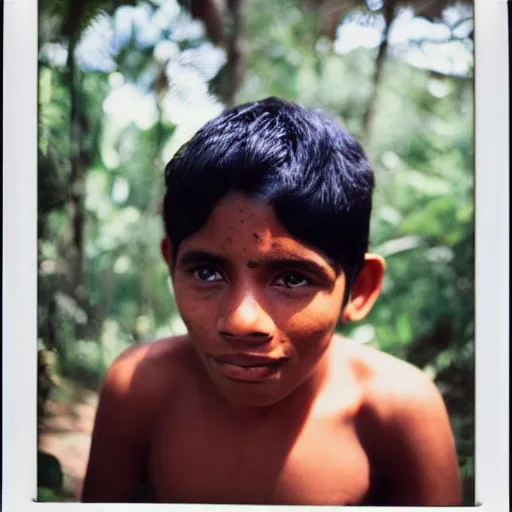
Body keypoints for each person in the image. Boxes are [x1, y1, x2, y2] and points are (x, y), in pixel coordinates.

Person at [81, 97, 461, 505]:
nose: (242, 321)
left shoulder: (398, 412)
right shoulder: (139, 389)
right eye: (207, 273)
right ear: (172, 266)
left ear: (359, 288)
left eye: (294, 278)